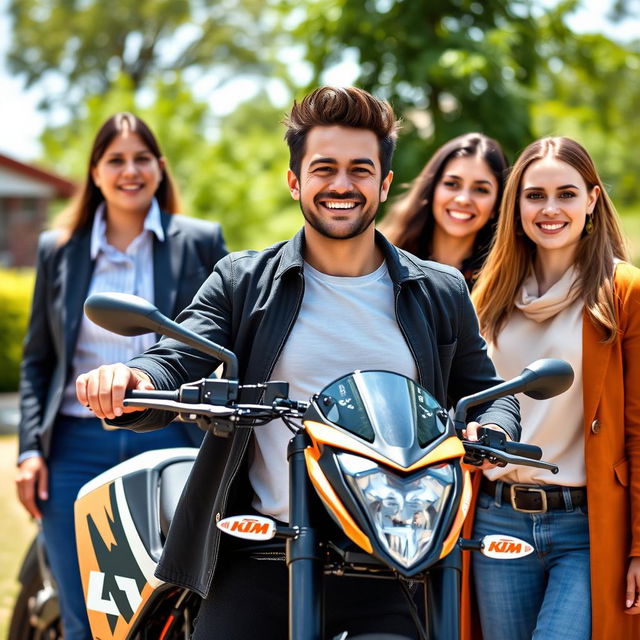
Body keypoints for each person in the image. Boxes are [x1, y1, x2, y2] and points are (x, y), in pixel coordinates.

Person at [77, 87, 520, 640]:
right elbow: (179, 355)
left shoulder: (438, 290)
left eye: (360, 170)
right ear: (295, 181)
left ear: (384, 184)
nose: (341, 184)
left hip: (388, 560)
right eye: (323, 168)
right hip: (262, 551)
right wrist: (134, 379)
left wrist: (494, 425)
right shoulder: (242, 281)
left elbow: (490, 390)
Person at [16, 112, 228, 640]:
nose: (129, 171)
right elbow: (39, 359)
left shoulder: (199, 241)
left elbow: (226, 335)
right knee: (86, 615)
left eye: (141, 159)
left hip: (171, 435)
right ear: (94, 172)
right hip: (75, 446)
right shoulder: (57, 249)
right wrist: (29, 450)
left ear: (160, 169)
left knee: (179, 603)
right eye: (116, 160)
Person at [464, 136, 640, 640]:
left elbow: (637, 430)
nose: (550, 209)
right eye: (534, 195)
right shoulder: (486, 298)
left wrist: (638, 549)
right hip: (496, 519)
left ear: (592, 200)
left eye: (566, 194)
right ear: (516, 203)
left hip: (586, 529)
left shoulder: (622, 293)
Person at [379, 133, 508, 289]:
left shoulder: (505, 286)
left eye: (481, 189)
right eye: (452, 184)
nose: (463, 199)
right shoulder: (380, 261)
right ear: (432, 189)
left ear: (497, 205)